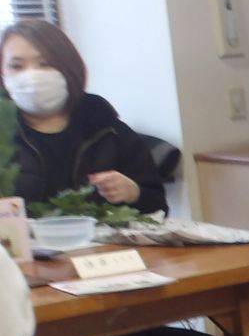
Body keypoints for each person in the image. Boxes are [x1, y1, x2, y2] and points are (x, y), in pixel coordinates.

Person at [2, 19, 166, 214]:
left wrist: (133, 192)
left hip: (101, 234)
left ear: (67, 67)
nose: (32, 76)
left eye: (45, 64)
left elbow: (158, 206)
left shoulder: (107, 129)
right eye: (17, 66)